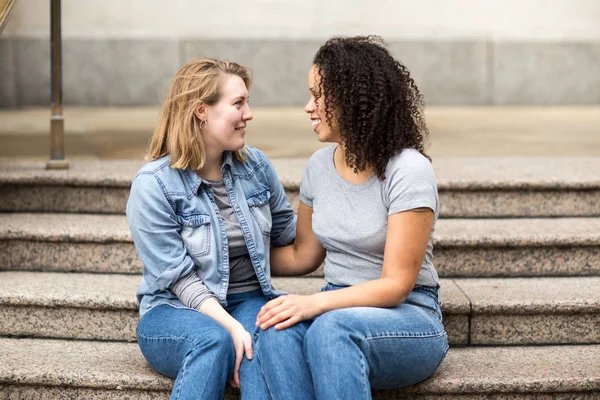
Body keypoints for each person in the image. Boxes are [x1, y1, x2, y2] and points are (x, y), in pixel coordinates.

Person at [255, 36, 449, 400]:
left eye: (318, 95)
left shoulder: (408, 170)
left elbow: (396, 284)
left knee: (331, 330)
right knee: (274, 328)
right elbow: (302, 256)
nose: (307, 107)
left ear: (351, 98)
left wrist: (314, 303)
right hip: (335, 309)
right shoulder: (318, 167)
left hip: (409, 317)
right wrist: (226, 257)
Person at [126, 57, 299, 399]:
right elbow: (177, 279)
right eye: (238, 103)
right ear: (201, 111)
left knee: (267, 344)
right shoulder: (153, 185)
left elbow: (288, 234)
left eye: (247, 102)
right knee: (215, 340)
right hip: (174, 310)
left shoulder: (256, 166)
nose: (248, 114)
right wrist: (231, 326)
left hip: (250, 299)